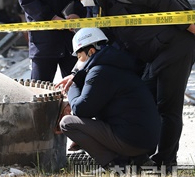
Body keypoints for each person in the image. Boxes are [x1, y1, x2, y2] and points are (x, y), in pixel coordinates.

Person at [61, 0, 195, 171]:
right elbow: (99, 50)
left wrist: (187, 22)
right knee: (148, 100)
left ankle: (166, 162)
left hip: (175, 48)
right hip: (156, 53)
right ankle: (140, 156)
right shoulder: (105, 7)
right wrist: (77, 73)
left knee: (168, 107)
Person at [58, 28, 160, 168]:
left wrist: (73, 85)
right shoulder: (114, 65)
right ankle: (136, 159)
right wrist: (79, 77)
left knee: (67, 123)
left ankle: (114, 165)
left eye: (79, 56)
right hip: (145, 141)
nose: (77, 63)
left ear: (91, 51)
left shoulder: (99, 72)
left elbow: (80, 109)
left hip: (132, 141)